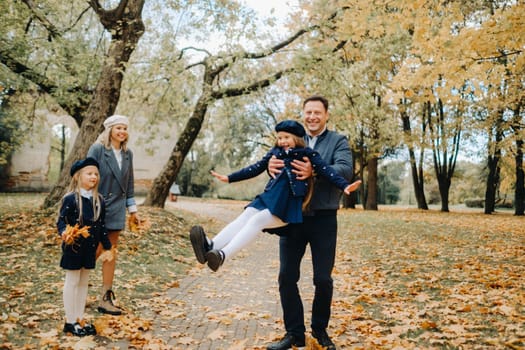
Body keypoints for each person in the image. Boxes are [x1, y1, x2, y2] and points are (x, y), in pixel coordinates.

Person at [189, 119, 361, 273]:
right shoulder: (275, 153)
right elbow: (255, 168)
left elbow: (327, 171)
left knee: (257, 221)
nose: (282, 141)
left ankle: (222, 256)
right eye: (279, 138)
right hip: (269, 197)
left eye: (286, 137)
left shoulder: (308, 154)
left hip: (287, 204)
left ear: (297, 138)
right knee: (247, 215)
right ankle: (211, 246)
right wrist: (230, 178)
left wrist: (345, 185)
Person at [265, 96, 353, 350]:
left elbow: (345, 170)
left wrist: (312, 171)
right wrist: (271, 165)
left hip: (324, 218)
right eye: (308, 112)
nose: (312, 117)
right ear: (303, 114)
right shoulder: (291, 138)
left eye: (317, 112)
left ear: (326, 115)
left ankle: (319, 331)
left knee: (323, 279)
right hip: (292, 218)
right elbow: (272, 161)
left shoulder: (338, 141)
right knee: (286, 276)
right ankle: (294, 333)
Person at [87, 114, 140, 315]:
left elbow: (129, 184)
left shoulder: (128, 154)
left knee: (110, 253)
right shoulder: (98, 149)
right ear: (110, 130)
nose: (122, 132)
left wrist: (133, 210)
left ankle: (105, 297)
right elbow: (86, 176)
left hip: (117, 209)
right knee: (94, 251)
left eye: (125, 128)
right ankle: (78, 289)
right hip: (97, 208)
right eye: (119, 128)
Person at [57, 157, 112, 337]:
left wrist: (107, 246)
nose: (94, 177)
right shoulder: (71, 199)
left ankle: (80, 318)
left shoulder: (99, 200)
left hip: (90, 249)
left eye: (96, 174)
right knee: (72, 281)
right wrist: (64, 232)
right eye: (89, 173)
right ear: (77, 177)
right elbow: (61, 221)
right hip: (73, 248)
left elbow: (102, 225)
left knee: (83, 283)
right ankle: (70, 320)